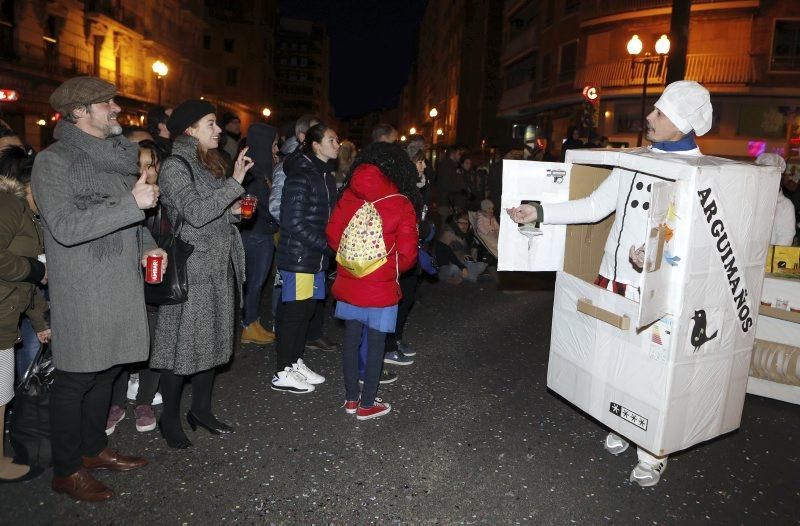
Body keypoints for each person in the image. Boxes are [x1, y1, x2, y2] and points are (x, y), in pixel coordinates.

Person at [509, 80, 714, 487]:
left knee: (654, 368)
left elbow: (695, 239)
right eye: (653, 110)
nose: (649, 118)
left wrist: (655, 255)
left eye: (660, 114)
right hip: (613, 278)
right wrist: (539, 211)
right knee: (616, 357)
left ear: (683, 124)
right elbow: (594, 206)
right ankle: (624, 418)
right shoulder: (635, 159)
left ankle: (654, 448)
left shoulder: (700, 174)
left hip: (653, 288)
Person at [32, 76, 162, 501]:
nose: (115, 108)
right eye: (105, 103)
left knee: (107, 372)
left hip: (120, 283)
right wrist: (132, 204)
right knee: (75, 379)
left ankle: (93, 450)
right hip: (84, 291)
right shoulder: (53, 162)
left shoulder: (113, 159)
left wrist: (147, 246)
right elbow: (66, 227)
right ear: (78, 113)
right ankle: (67, 470)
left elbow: (130, 218)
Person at [149, 100, 252, 449]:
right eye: (211, 124)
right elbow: (194, 213)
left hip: (218, 265)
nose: (219, 130)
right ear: (189, 129)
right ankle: (169, 418)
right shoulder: (176, 165)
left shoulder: (207, 162)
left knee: (214, 342)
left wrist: (234, 210)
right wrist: (235, 184)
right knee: (182, 348)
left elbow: (215, 210)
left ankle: (202, 410)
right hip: (192, 269)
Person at [326, 142, 418, 420]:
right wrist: (388, 268)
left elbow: (332, 236)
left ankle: (351, 399)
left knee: (351, 341)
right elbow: (409, 253)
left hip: (349, 284)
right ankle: (368, 404)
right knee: (376, 345)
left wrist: (354, 264)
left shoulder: (349, 197)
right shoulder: (400, 202)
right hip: (381, 288)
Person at [105, 139, 168, 435]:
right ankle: (115, 403)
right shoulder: (121, 197)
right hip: (125, 282)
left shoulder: (168, 200)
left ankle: (144, 401)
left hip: (158, 280)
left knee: (153, 344)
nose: (144, 171)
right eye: (138, 165)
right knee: (121, 346)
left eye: (150, 164)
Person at [272, 123, 339, 393]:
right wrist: (327, 246)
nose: (338, 145)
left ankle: (295, 362)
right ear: (315, 144)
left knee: (307, 311)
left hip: (316, 258)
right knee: (295, 313)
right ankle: (282, 371)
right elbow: (293, 221)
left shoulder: (324, 175)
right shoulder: (302, 174)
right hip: (300, 257)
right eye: (332, 140)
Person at [0, 146, 49, 483]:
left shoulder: (28, 213)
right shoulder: (7, 204)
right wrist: (32, 268)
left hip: (7, 315)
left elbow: (30, 281)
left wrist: (40, 322)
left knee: (2, 394)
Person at [240, 123, 279, 345]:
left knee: (255, 282)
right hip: (258, 232)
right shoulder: (255, 168)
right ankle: (249, 326)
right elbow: (256, 203)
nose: (276, 147)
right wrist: (273, 220)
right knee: (255, 282)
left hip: (258, 231)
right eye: (274, 143)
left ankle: (252, 323)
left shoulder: (259, 164)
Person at [436, 211, 488, 284]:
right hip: (447, 266)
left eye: (466, 223)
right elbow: (446, 255)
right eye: (461, 223)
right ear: (455, 223)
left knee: (482, 265)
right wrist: (461, 266)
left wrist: (472, 255)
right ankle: (465, 276)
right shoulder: (448, 234)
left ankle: (466, 275)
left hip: (462, 263)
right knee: (455, 268)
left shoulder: (464, 235)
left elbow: (467, 251)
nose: (464, 225)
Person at [755, 153, 795, 245]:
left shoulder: (785, 205)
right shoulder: (752, 199)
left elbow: (785, 240)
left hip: (769, 257)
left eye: (771, 175)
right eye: (763, 175)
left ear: (779, 178)